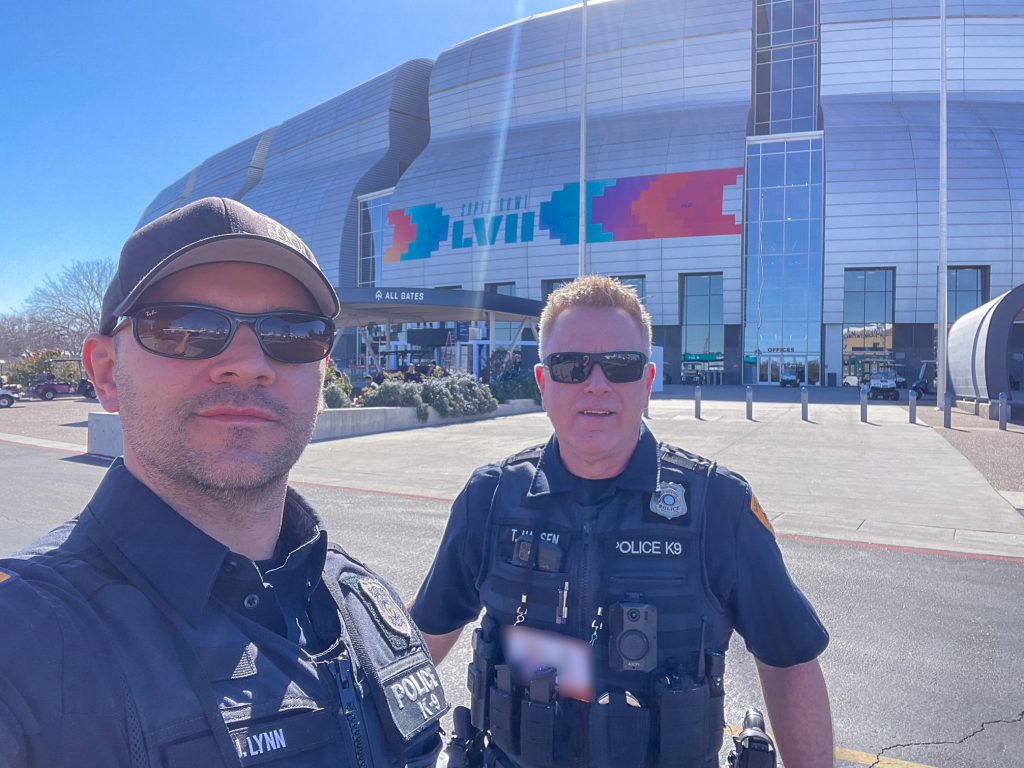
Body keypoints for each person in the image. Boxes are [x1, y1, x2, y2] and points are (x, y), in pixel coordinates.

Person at [0, 197, 446, 767]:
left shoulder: (366, 602)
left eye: (292, 334)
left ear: (322, 374)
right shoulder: (24, 641)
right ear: (107, 373)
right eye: (185, 327)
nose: (248, 361)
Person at [409, 275, 832, 768]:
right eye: (570, 366)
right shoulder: (491, 497)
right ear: (544, 384)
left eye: (620, 365)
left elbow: (790, 658)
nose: (596, 383)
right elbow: (423, 640)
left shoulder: (719, 503)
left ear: (647, 381)